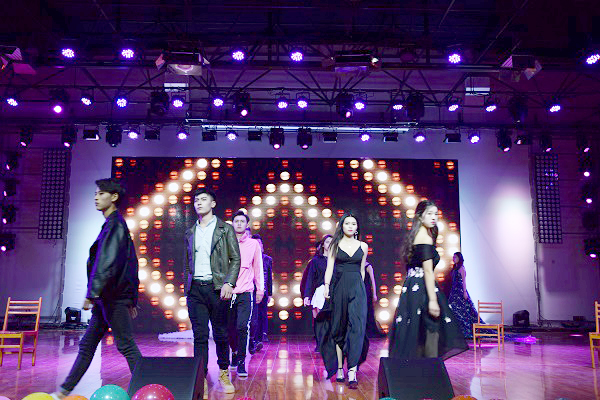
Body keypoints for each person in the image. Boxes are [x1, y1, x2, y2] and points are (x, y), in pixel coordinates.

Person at [51, 179, 141, 399]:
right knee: (87, 345)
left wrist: (92, 293)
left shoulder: (115, 225)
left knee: (125, 345)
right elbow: (129, 264)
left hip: (112, 298)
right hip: (107, 299)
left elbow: (107, 262)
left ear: (114, 197)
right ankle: (64, 391)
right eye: (95, 193)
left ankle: (148, 386)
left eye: (101, 193)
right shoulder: (112, 224)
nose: (96, 197)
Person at [388, 200, 468, 360]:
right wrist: (432, 300)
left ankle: (419, 368)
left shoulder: (416, 235)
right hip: (423, 287)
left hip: (412, 287)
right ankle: (429, 368)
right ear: (420, 216)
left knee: (419, 330)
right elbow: (428, 271)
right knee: (432, 328)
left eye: (436, 214)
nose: (433, 217)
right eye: (429, 213)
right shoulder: (424, 237)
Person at [184, 188, 240, 396]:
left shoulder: (225, 229)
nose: (198, 203)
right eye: (196, 200)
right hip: (195, 290)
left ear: (213, 204)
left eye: (203, 199)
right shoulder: (190, 232)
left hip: (217, 288)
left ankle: (224, 372)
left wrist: (229, 283)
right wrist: (187, 286)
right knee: (199, 336)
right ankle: (200, 377)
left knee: (221, 334)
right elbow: (187, 262)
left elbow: (235, 258)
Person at [316, 214, 369, 390]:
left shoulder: (363, 246)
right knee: (339, 328)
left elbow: (362, 270)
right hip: (339, 289)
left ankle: (352, 370)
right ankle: (340, 368)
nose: (351, 226)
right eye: (347, 223)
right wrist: (326, 286)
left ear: (357, 227)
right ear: (341, 226)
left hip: (357, 290)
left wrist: (361, 288)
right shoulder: (335, 245)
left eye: (354, 223)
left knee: (357, 327)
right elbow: (329, 268)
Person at [228, 212, 264, 378]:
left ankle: (242, 362)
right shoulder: (226, 242)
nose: (239, 224)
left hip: (246, 292)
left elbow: (258, 267)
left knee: (242, 326)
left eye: (242, 221)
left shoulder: (253, 244)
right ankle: (234, 352)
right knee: (229, 328)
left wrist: (260, 289)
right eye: (236, 221)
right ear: (232, 224)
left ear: (247, 225)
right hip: (228, 292)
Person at [303, 235, 333, 352]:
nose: (330, 244)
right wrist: (307, 295)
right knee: (320, 318)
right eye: (327, 242)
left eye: (332, 242)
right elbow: (310, 278)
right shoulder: (316, 261)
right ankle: (320, 343)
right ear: (323, 245)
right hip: (321, 290)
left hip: (334, 291)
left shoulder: (337, 260)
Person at [448, 252, 481, 338]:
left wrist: (465, 292)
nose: (454, 259)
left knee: (463, 311)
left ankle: (465, 331)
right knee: (453, 310)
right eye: (453, 257)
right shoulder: (454, 268)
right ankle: (456, 331)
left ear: (459, 258)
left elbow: (464, 281)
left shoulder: (461, 268)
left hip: (460, 291)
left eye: (455, 257)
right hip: (454, 291)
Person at [249, 233, 272, 352]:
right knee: (253, 316)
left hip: (263, 291)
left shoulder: (267, 259)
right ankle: (252, 340)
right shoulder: (249, 257)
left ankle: (259, 339)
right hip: (249, 289)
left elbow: (269, 277)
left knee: (261, 315)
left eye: (259, 243)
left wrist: (270, 293)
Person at [364, 262, 386, 338]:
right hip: (358, 290)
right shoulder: (356, 265)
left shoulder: (368, 266)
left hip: (366, 291)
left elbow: (373, 281)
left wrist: (374, 294)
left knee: (368, 311)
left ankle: (369, 331)